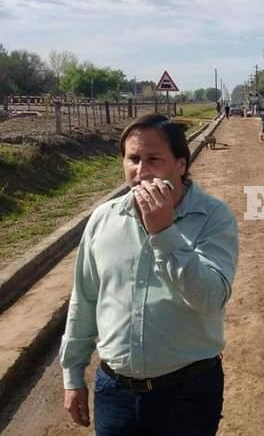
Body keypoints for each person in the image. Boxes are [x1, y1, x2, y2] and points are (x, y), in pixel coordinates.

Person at [60, 114, 239, 435]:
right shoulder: (103, 219)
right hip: (116, 393)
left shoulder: (213, 218)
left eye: (154, 160)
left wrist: (164, 232)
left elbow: (211, 299)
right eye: (133, 159)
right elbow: (84, 300)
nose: (141, 171)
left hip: (188, 394)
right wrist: (72, 376)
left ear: (181, 164)